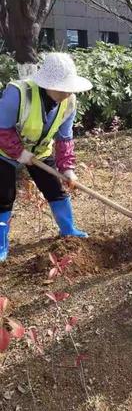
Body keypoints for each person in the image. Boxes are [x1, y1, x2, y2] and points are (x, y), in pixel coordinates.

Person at [0, 52, 93, 261]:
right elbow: (1, 128)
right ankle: (0, 246)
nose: (68, 93)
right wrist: (20, 153)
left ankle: (69, 230)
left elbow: (64, 137)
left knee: (55, 189)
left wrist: (67, 168)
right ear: (47, 83)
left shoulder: (69, 102)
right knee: (3, 197)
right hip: (4, 153)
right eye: (63, 87)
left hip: (41, 151)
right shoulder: (18, 94)